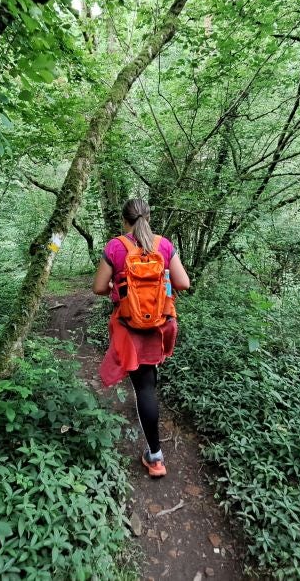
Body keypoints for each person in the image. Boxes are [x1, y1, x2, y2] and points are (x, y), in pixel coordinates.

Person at [92, 198, 190, 478]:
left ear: (124, 220)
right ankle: (154, 446)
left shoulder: (115, 246)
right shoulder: (164, 244)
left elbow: (99, 287)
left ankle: (155, 456)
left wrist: (116, 283)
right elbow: (183, 283)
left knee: (143, 387)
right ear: (149, 217)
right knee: (149, 378)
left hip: (130, 326)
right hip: (160, 324)